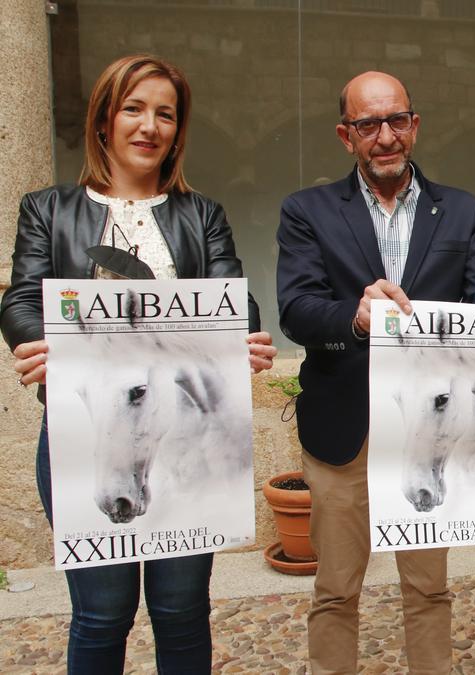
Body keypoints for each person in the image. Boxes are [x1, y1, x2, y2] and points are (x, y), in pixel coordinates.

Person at [1, 54, 276, 673]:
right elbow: (21, 299)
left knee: (182, 611)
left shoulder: (201, 214)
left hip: (183, 440)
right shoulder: (47, 208)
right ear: (104, 120)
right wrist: (38, 342)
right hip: (81, 437)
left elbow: (235, 300)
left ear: (177, 131)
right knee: (102, 614)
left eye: (165, 115)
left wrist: (244, 338)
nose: (149, 126)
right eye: (133, 109)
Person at [275, 71, 475, 674]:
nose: (386, 136)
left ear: (415, 125)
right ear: (346, 135)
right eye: (368, 124)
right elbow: (296, 311)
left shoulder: (463, 211)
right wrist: (353, 316)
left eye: (397, 121)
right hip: (344, 428)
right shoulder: (306, 211)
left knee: (429, 586)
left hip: (430, 432)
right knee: (336, 588)